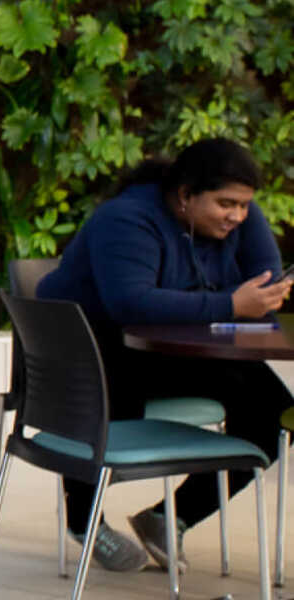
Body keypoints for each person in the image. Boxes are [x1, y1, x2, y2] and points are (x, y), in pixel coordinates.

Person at [36, 137, 291, 574]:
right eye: (226, 203)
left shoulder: (238, 220)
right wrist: (231, 304)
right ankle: (84, 523)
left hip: (176, 348)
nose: (237, 216)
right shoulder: (125, 219)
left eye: (245, 205)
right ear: (185, 195)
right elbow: (131, 304)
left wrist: (253, 299)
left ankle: (169, 518)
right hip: (92, 350)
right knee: (104, 399)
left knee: (273, 412)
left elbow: (263, 286)